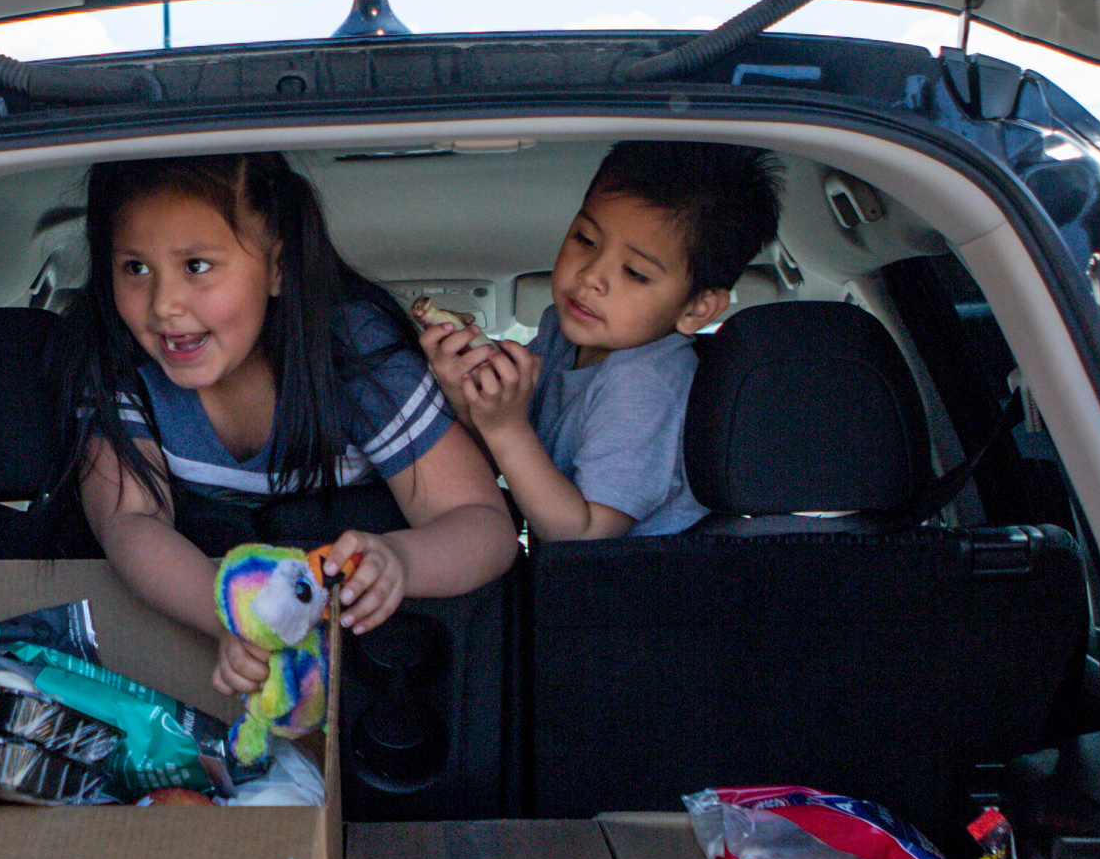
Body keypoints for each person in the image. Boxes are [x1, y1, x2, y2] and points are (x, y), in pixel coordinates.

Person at [61, 151, 516, 703]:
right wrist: (235, 615)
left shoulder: (353, 354)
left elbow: (483, 525)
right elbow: (131, 524)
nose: (163, 305)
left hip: (393, 686)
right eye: (135, 267)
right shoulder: (118, 364)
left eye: (197, 266)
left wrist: (400, 559)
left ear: (277, 266)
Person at [418, 142, 785, 541]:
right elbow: (508, 465)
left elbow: (588, 537)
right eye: (586, 240)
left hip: (635, 588)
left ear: (696, 309)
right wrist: (469, 401)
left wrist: (507, 429)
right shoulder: (561, 334)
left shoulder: (645, 385)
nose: (592, 275)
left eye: (635, 273)